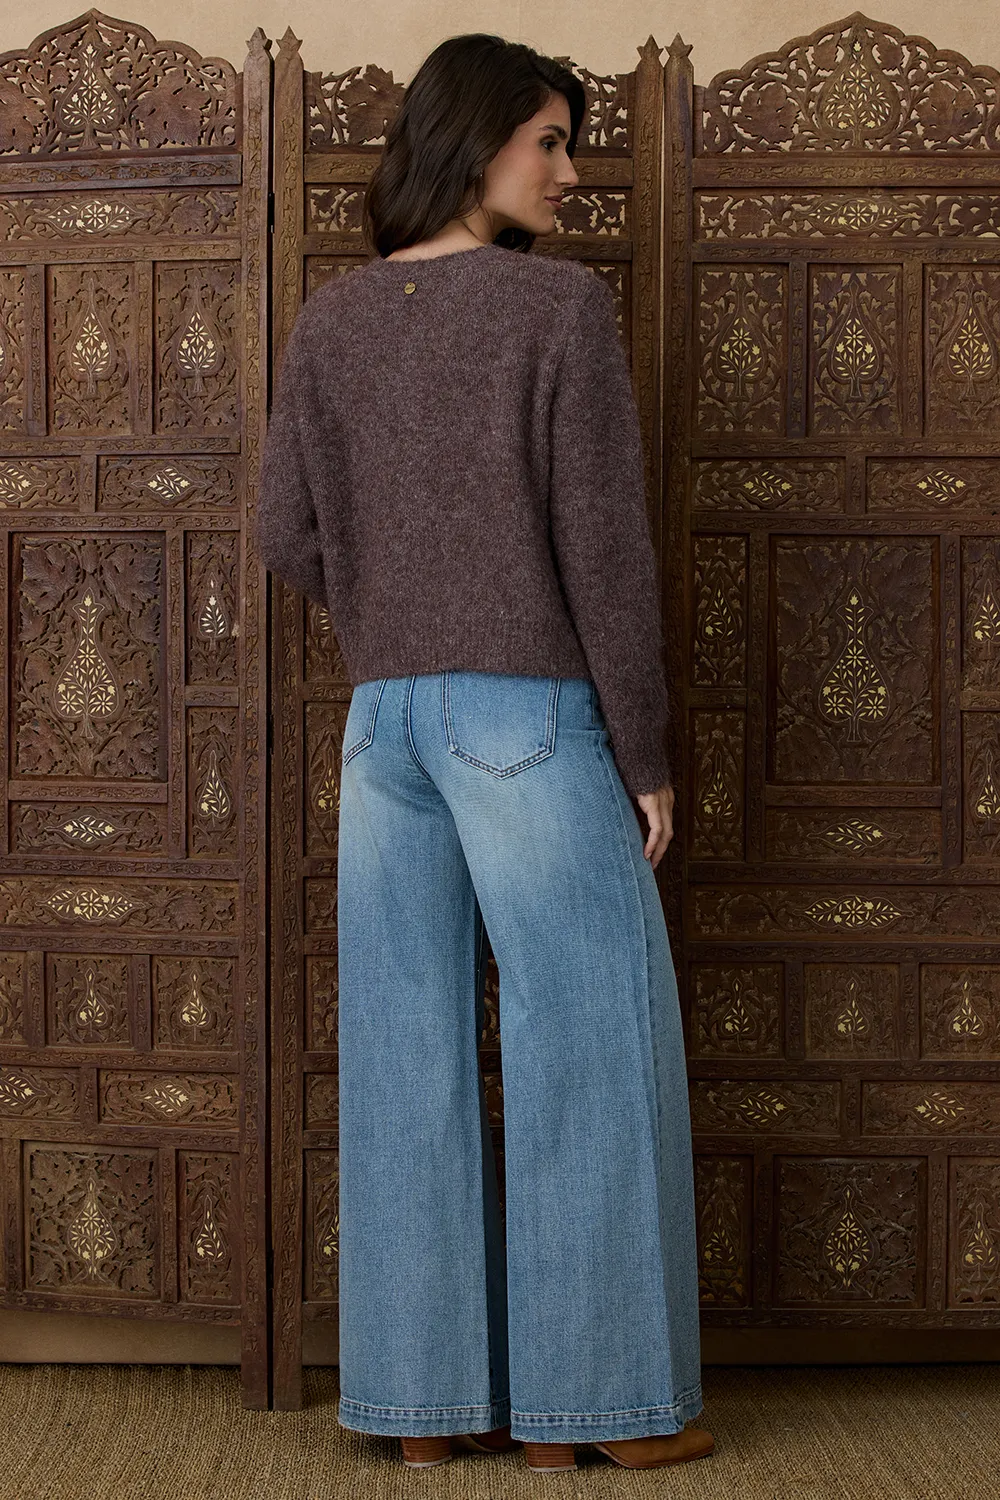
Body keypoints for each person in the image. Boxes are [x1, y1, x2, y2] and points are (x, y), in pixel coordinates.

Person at [256, 30, 714, 1477]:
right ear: (475, 144)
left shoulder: (330, 322)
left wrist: (398, 614)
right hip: (529, 716)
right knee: (589, 1043)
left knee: (404, 1056)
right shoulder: (555, 310)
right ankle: (601, 1415)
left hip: (382, 726)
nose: (571, 174)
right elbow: (604, 550)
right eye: (551, 143)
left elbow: (285, 534)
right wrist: (642, 746)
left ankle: (423, 1411)